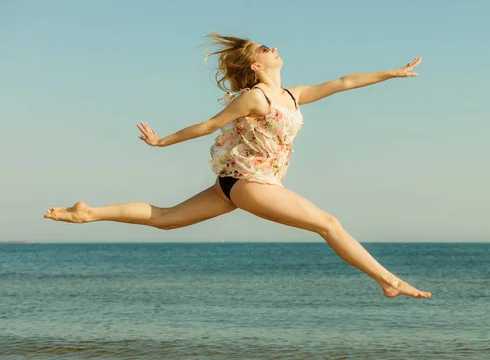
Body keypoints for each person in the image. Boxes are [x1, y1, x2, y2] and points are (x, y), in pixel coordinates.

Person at [44, 32, 431, 299]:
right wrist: (163, 141)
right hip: (250, 182)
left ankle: (89, 213)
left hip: (235, 183)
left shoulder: (290, 95)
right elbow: (209, 126)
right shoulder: (257, 99)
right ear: (255, 63)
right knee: (328, 224)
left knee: (165, 219)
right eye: (265, 47)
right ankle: (388, 280)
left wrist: (391, 73)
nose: (274, 47)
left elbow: (344, 82)